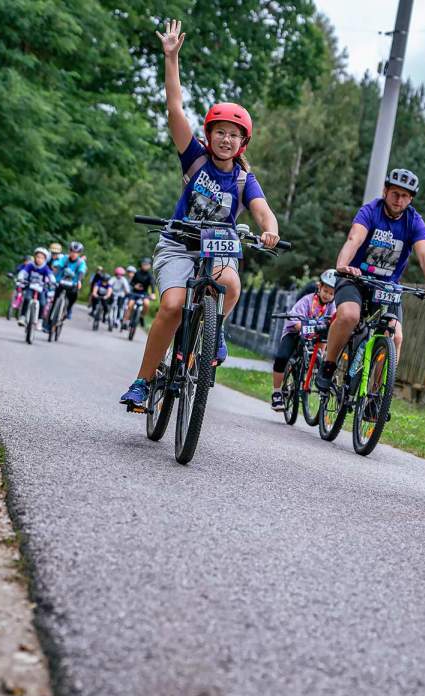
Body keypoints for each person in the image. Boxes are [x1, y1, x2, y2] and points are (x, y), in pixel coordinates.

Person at [120, 19, 281, 410]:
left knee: (231, 283)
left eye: (234, 134)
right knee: (172, 306)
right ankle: (144, 381)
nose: (226, 139)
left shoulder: (244, 179)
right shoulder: (194, 159)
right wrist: (171, 57)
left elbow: (263, 212)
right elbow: (174, 107)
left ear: (243, 142)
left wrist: (270, 231)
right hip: (178, 244)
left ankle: (214, 332)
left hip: (217, 251)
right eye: (220, 132)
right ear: (209, 136)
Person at [315, 168, 425, 393]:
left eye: (405, 196)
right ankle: (329, 365)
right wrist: (342, 266)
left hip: (387, 288)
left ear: (411, 199)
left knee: (395, 337)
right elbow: (354, 239)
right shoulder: (370, 211)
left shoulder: (415, 222)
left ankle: (375, 396)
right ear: (385, 191)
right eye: (395, 193)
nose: (399, 199)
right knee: (349, 316)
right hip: (354, 278)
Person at [271, 270, 337, 412]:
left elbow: (333, 321)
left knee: (323, 355)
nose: (327, 296)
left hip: (317, 337)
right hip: (295, 333)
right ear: (319, 287)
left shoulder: (332, 306)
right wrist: (305, 325)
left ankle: (314, 375)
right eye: (325, 291)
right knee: (282, 357)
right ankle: (276, 392)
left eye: (331, 294)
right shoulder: (306, 300)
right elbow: (295, 321)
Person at [17, 247, 55, 326]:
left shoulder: (45, 268)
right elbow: (23, 272)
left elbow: (50, 275)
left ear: (45, 259)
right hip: (30, 286)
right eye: (37, 257)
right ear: (34, 257)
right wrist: (20, 278)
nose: (39, 259)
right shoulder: (31, 265)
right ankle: (23, 317)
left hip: (41, 288)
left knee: (42, 303)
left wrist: (53, 282)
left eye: (42, 258)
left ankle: (40, 320)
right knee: (27, 298)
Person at [55, 241, 87, 319]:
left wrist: (79, 281)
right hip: (60, 281)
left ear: (79, 254)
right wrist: (56, 267)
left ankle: (68, 309)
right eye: (72, 251)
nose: (74, 254)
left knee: (73, 295)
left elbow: (81, 271)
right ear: (69, 251)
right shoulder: (65, 258)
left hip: (73, 283)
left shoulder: (81, 262)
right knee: (55, 299)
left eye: (76, 252)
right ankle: (49, 322)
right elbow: (58, 264)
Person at [123, 260, 156, 330]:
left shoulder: (150, 275)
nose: (146, 266)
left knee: (146, 304)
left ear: (150, 266)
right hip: (135, 292)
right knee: (130, 305)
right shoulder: (137, 273)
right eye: (144, 264)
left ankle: (141, 316)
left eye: (148, 265)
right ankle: (125, 322)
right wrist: (135, 286)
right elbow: (131, 282)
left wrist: (153, 294)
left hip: (144, 293)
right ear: (141, 265)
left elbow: (152, 285)